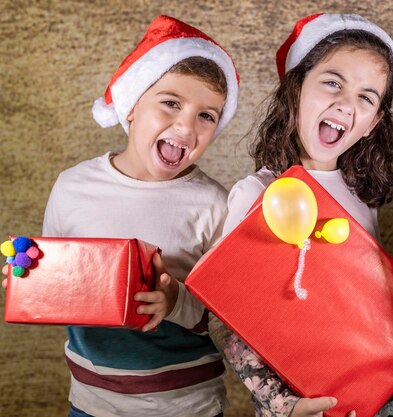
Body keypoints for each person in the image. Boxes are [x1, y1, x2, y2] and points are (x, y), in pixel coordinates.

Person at [203, 12, 393, 417]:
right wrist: (285, 405)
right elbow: (227, 321)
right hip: (297, 405)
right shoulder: (257, 194)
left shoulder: (361, 197)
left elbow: (366, 304)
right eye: (332, 82)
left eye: (366, 97)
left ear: (373, 123)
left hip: (374, 402)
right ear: (295, 90)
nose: (346, 104)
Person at [3, 15, 240, 417]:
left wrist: (175, 301)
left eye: (207, 115)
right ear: (130, 107)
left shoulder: (216, 205)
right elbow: (55, 283)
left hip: (188, 405)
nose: (185, 125)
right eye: (170, 103)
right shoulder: (72, 186)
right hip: (92, 401)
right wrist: (26, 278)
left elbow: (230, 319)